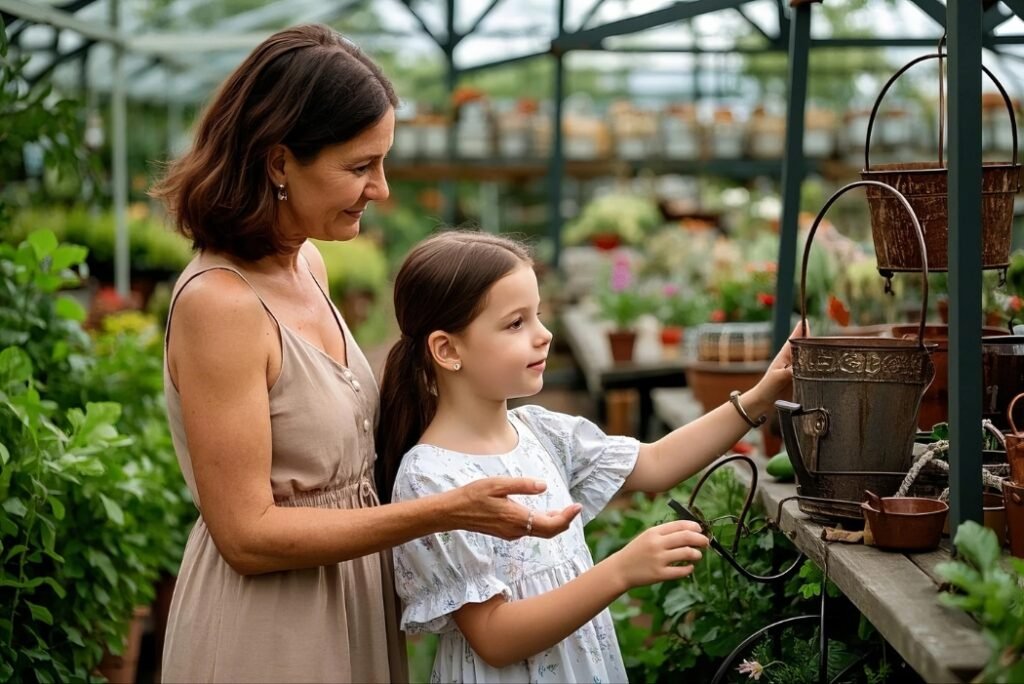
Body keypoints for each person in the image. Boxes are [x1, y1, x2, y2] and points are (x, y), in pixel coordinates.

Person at [150, 25, 580, 684]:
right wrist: (444, 510)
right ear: (278, 163)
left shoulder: (309, 266)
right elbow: (246, 536)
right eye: (360, 167)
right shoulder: (222, 306)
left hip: (350, 603)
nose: (380, 189)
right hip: (272, 632)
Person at [376, 231, 799, 683]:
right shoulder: (431, 478)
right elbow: (494, 638)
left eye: (537, 316)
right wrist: (620, 570)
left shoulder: (541, 431)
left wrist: (759, 397)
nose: (544, 335)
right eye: (515, 323)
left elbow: (655, 462)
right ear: (447, 349)